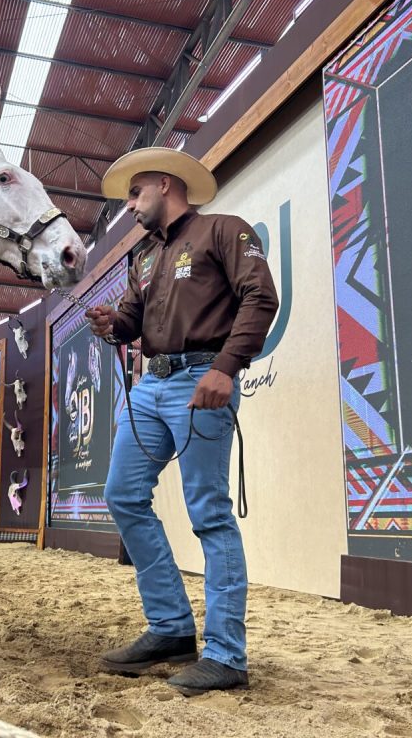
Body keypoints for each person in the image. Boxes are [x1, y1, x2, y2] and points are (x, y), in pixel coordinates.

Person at [86, 148, 279, 696]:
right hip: (150, 386)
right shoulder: (142, 257)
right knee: (122, 496)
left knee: (210, 514)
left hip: (201, 379)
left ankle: (226, 655)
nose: (129, 205)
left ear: (165, 185)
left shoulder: (224, 231)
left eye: (135, 193)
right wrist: (113, 323)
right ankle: (171, 628)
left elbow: (260, 298)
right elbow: (132, 322)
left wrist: (225, 368)